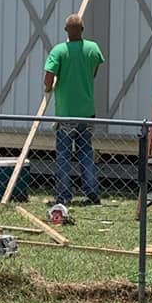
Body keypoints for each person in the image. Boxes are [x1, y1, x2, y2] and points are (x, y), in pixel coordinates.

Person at [44, 14, 105, 207]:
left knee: (63, 155)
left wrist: (48, 88)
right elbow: (94, 71)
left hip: (66, 113)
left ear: (65, 31)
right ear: (83, 29)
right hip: (87, 112)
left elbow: (49, 77)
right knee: (85, 152)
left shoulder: (59, 51)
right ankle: (92, 192)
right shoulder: (92, 48)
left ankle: (63, 196)